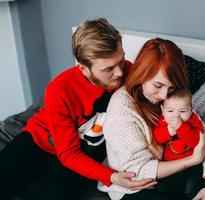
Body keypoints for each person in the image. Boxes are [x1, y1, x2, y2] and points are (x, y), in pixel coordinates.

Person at [0, 18, 157, 200]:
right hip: (39, 141)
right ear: (83, 68)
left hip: (79, 153)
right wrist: (111, 176)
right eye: (108, 69)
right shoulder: (58, 90)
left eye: (120, 60)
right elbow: (68, 153)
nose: (120, 73)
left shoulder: (130, 73)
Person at [98, 38, 205, 200]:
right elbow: (136, 173)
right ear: (142, 74)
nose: (164, 95)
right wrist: (192, 160)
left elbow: (203, 135)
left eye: (171, 87)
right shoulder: (122, 109)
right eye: (158, 86)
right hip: (137, 186)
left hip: (173, 173)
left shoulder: (171, 97)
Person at [154, 89, 203, 161]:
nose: (176, 115)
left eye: (182, 111)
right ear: (162, 110)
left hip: (191, 160)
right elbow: (156, 139)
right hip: (169, 162)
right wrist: (169, 130)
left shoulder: (193, 120)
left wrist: (181, 127)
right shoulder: (163, 121)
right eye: (170, 111)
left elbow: (195, 142)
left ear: (191, 110)